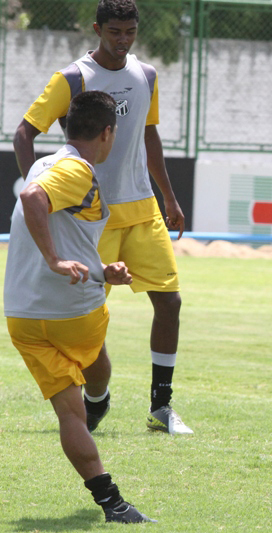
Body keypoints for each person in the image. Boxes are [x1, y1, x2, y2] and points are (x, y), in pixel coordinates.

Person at [13, 0, 192, 434]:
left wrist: (168, 196)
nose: (122, 40)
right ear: (98, 29)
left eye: (129, 32)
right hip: (93, 219)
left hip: (143, 208)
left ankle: (161, 407)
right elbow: (24, 133)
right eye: (114, 32)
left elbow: (149, 135)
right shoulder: (72, 78)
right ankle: (95, 398)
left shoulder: (146, 75)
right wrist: (45, 187)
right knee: (89, 316)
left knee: (169, 301)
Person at [4, 90, 153, 523]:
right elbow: (33, 199)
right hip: (73, 313)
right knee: (96, 364)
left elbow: (53, 219)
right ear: (107, 133)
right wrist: (55, 261)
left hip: (22, 315)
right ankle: (100, 398)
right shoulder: (77, 170)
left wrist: (101, 270)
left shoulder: (42, 163)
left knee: (69, 414)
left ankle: (113, 503)